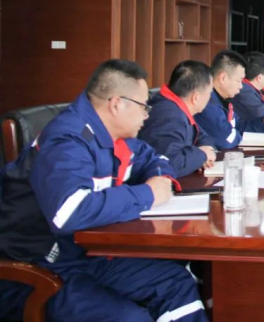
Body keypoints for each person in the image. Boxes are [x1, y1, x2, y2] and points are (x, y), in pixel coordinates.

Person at [0, 60, 207, 321]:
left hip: (86, 252)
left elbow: (156, 159)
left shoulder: (116, 136)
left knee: (175, 284)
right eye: (144, 106)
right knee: (130, 318)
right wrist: (148, 194)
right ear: (117, 104)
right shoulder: (67, 140)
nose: (147, 115)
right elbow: (69, 211)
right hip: (39, 267)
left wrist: (160, 179)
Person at [139, 61, 216, 177]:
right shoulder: (168, 116)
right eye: (210, 93)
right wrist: (202, 155)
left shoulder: (177, 108)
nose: (210, 98)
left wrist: (205, 151)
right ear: (196, 97)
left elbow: (202, 136)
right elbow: (170, 164)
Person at [194, 50, 246, 150]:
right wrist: (236, 135)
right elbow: (225, 140)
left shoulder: (223, 100)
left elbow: (239, 126)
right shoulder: (206, 103)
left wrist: (263, 123)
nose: (241, 86)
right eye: (239, 81)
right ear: (223, 78)